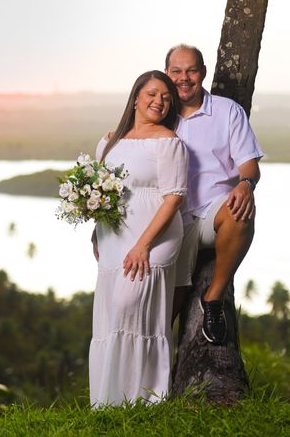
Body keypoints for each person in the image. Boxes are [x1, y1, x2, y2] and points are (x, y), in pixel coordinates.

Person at [89, 70, 189, 406]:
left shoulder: (170, 142)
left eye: (165, 97)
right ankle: (109, 402)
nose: (159, 101)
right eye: (152, 94)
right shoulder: (109, 142)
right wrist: (95, 231)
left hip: (154, 237)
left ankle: (146, 400)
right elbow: (102, 192)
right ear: (135, 98)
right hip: (114, 236)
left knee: (130, 306)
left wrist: (143, 245)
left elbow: (174, 197)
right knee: (112, 315)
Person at [165, 44, 263, 345]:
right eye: (177, 71)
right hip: (170, 220)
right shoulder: (160, 112)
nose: (184, 78)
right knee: (166, 312)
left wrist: (246, 184)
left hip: (211, 213)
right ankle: (154, 384)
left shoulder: (226, 111)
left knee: (240, 211)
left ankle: (213, 299)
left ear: (203, 72)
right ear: (167, 73)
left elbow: (249, 165)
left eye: (191, 70)